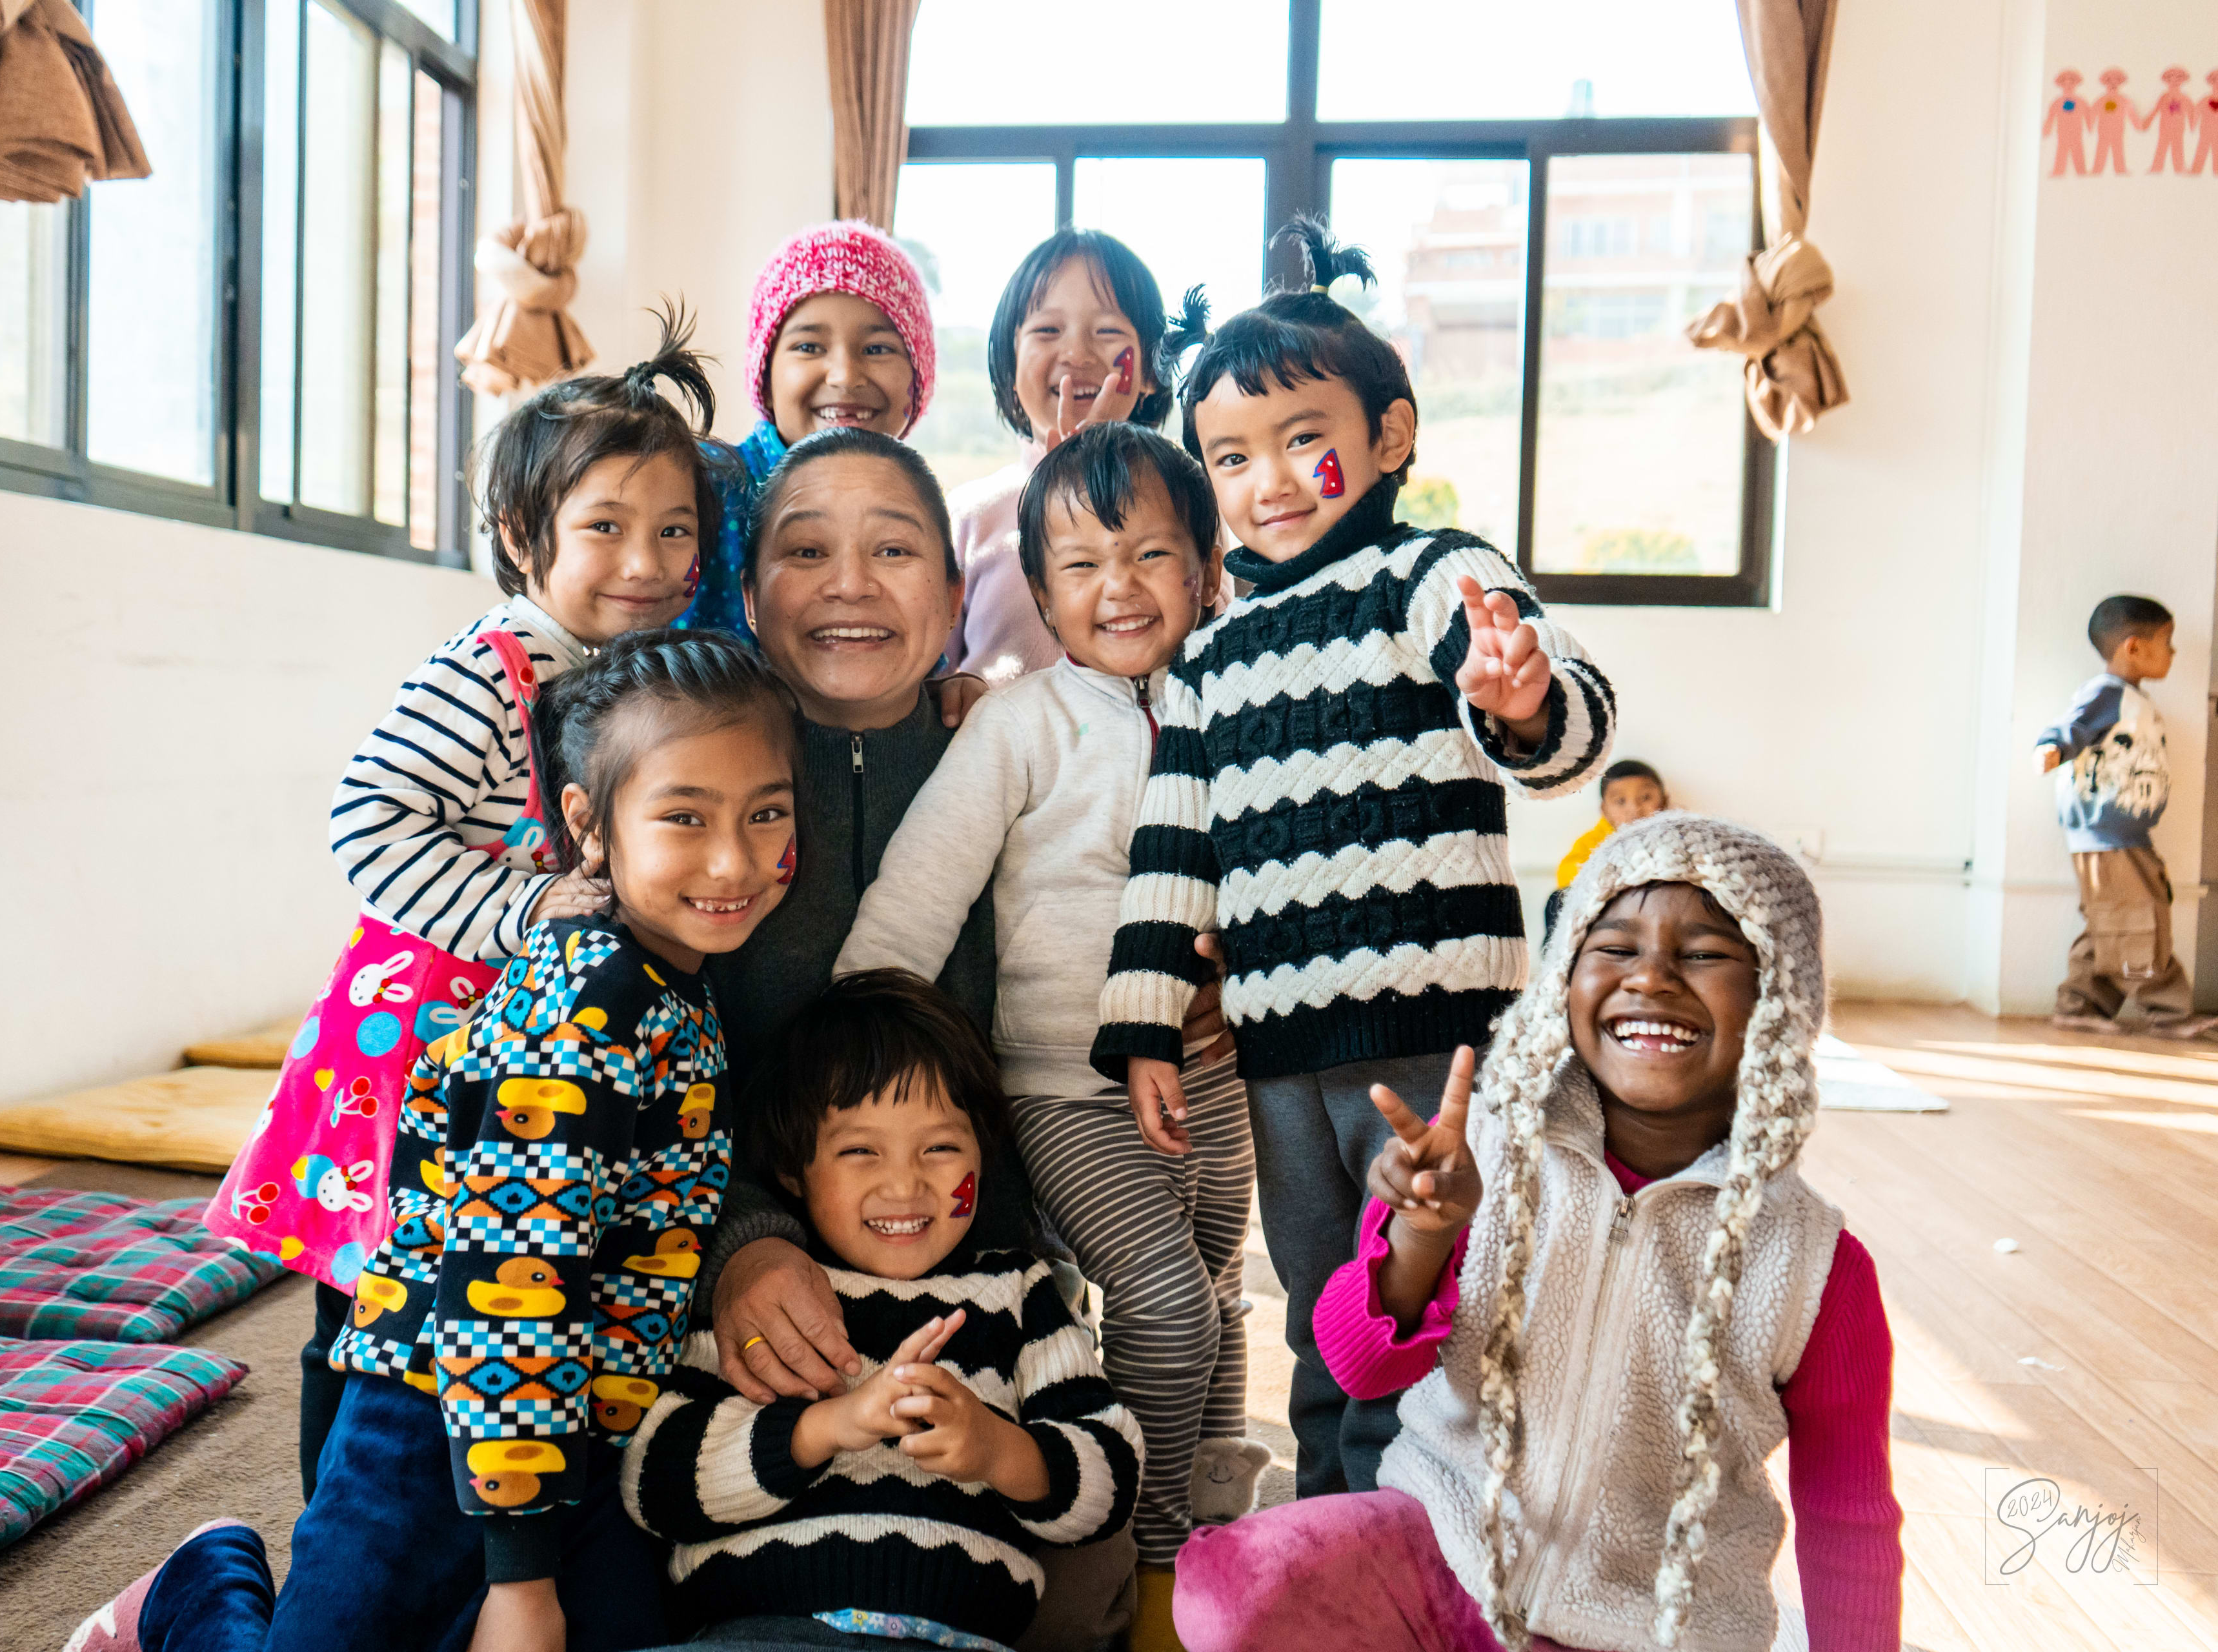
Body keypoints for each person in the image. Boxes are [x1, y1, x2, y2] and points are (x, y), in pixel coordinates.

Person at [76, 629, 803, 1652]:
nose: (736, 859)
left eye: (765, 812)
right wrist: (520, 1580)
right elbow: (512, 1288)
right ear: (589, 828)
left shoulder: (673, 973)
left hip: (580, 1430)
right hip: (435, 1416)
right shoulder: (585, 1010)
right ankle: (193, 1589)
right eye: (684, 817)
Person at [1091, 218, 1616, 1501]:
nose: (1268, 479)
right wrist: (1146, 1022)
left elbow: (1559, 732)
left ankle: (1451, 1522)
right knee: (1323, 1304)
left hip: (1438, 1045)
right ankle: (1333, 1519)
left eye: (1302, 439)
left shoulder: (1433, 576)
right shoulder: (1211, 657)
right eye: (1230, 455)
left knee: (1447, 1293)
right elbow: (1178, 851)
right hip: (1280, 1056)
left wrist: (1521, 693)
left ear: (1391, 435)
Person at [200, 316, 735, 1498]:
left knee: (470, 1302)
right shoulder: (490, 665)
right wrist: (527, 908)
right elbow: (368, 819)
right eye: (605, 529)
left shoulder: (620, 669)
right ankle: (336, 1542)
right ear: (518, 536)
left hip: (508, 1044)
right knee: (370, 1312)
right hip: (410, 1043)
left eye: (674, 531)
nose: (646, 562)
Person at [1171, 813, 1904, 1652]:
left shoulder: (1816, 1267)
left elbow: (1849, 1515)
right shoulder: (1472, 1154)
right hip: (1438, 1558)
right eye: (1616, 946)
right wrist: (1417, 1240)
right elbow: (1354, 1362)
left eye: (1703, 953)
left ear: (1779, 995)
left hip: (1652, 1627)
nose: (1652, 978)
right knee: (1233, 1591)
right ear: (1565, 976)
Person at [834, 423, 1257, 1642]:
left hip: (1219, 1071)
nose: (1116, 589)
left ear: (1206, 568)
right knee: (1167, 1308)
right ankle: (1147, 1555)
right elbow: (920, 891)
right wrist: (856, 1052)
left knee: (1219, 1300)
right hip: (1065, 1090)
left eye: (1148, 556)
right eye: (1077, 565)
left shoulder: (1233, 701)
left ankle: (1217, 1529)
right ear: (1035, 589)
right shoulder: (1020, 726)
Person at [621, 971, 1144, 1652]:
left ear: (984, 1158)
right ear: (790, 1169)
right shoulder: (766, 1299)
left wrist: (999, 1449)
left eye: (942, 1147)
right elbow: (656, 1480)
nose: (904, 1183)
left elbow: (1110, 1472)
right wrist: (826, 1427)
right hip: (761, 1635)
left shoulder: (1016, 1292)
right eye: (860, 1151)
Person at [947, 228, 1185, 685]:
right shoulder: (968, 517)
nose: (1076, 353)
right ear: (1011, 362)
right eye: (1048, 330)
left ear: (1153, 371)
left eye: (1108, 330)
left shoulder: (1185, 503)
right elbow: (921, 677)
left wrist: (1102, 473)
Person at [679, 221, 935, 641]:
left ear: (916, 382)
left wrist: (949, 688)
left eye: (877, 349)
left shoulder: (919, 504)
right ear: (765, 376)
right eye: (809, 347)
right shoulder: (703, 490)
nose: (845, 376)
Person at [2035, 594, 2218, 1038]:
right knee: (2140, 922)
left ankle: (2080, 1005)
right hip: (2106, 834)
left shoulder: (2133, 701)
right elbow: (2070, 727)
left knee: (2113, 922)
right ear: (2134, 647)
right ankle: (2168, 1012)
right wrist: (2051, 748)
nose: (2173, 654)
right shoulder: (2105, 694)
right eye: (2168, 643)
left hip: (2125, 833)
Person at [1542, 760, 1668, 943]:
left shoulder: (1672, 836)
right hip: (1607, 903)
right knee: (1558, 900)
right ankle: (1560, 961)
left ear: (1664, 802)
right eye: (1620, 801)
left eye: (1645, 798)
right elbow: (1567, 872)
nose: (1634, 809)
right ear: (1604, 810)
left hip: (1653, 904)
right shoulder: (1594, 841)